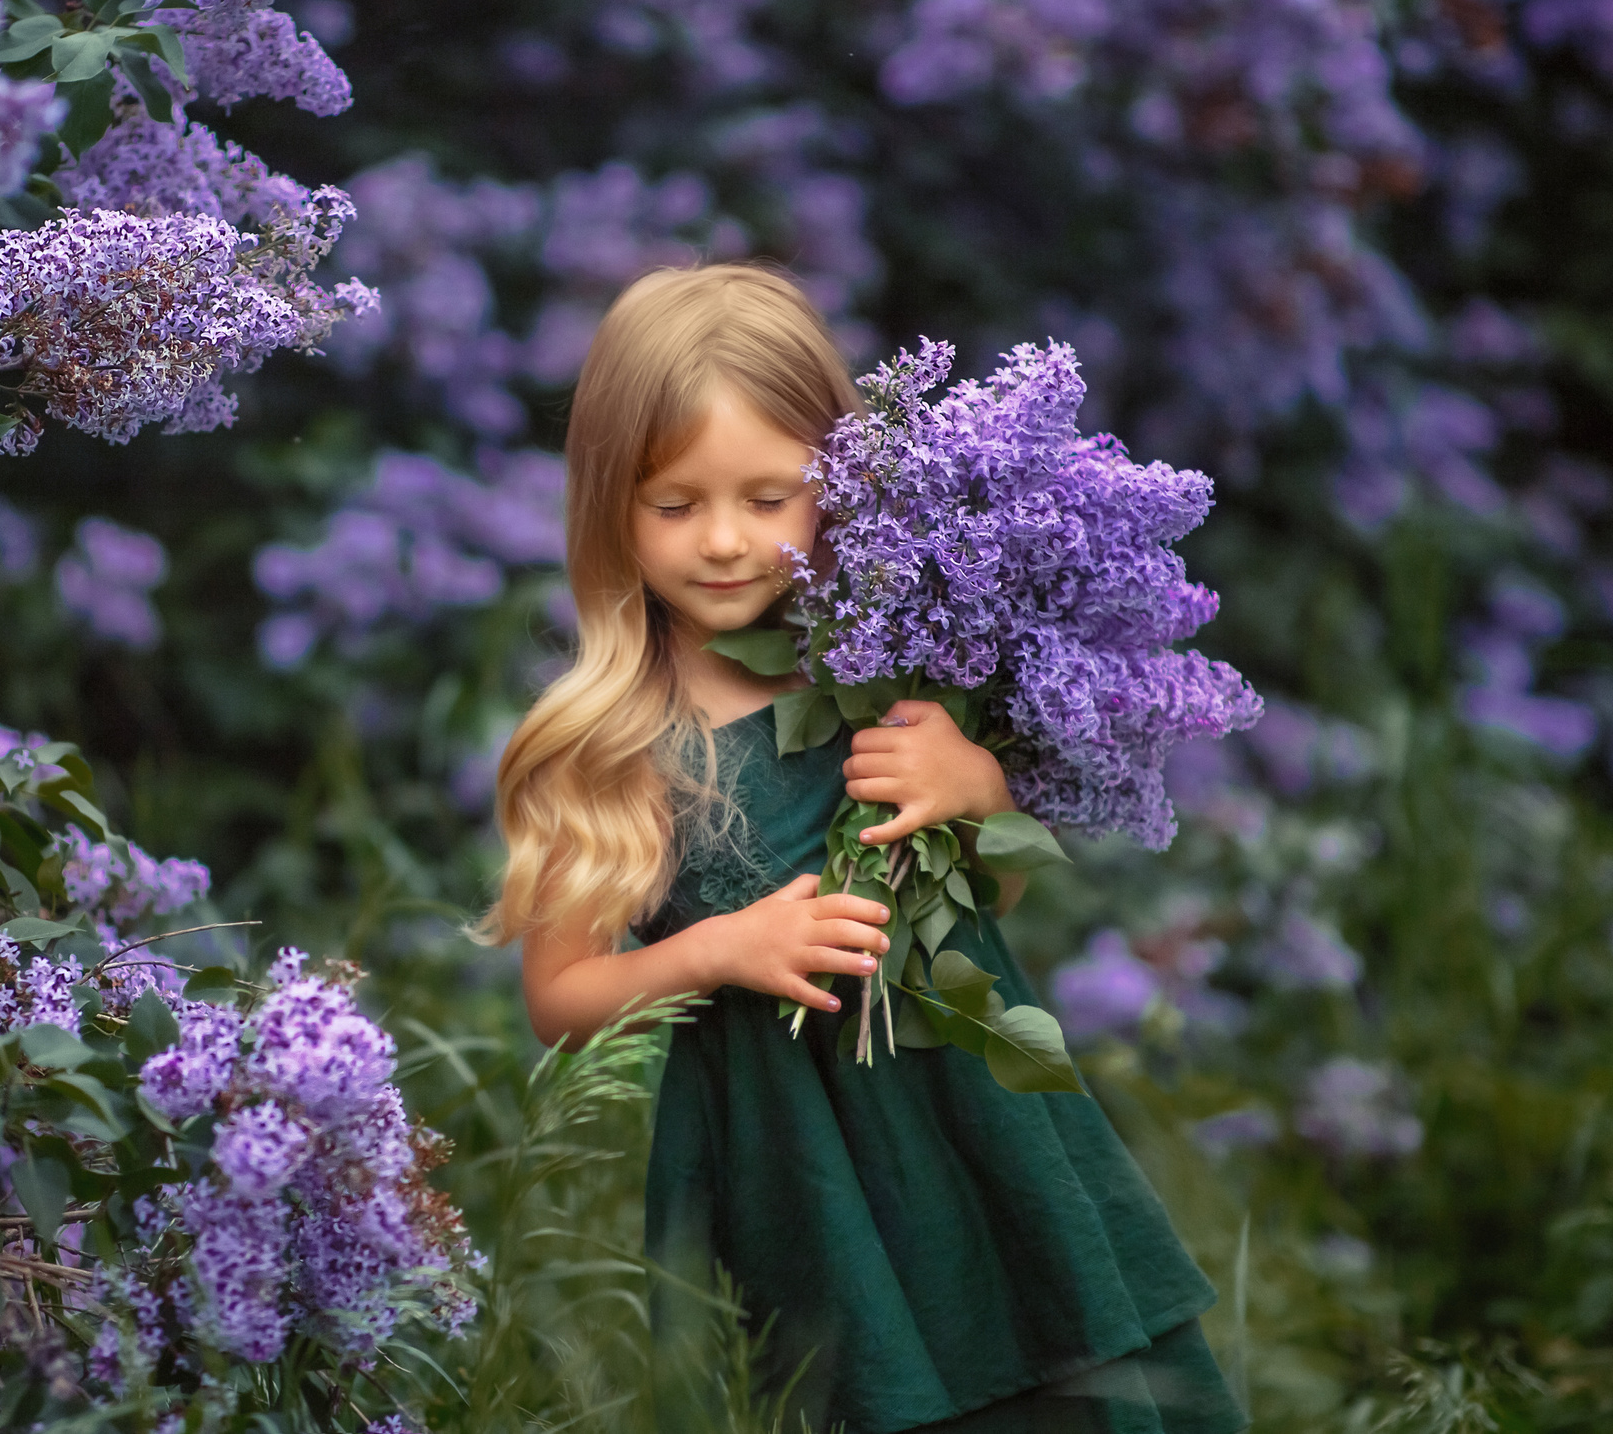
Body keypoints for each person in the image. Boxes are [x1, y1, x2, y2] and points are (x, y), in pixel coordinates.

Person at [473, 265, 1246, 1433]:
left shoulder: (888, 659)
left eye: (770, 497)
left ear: (839, 484)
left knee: (1068, 1365)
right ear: (606, 508)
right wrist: (719, 948)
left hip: (977, 1114)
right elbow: (562, 997)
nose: (725, 542)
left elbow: (988, 892)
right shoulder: (608, 741)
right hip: (794, 1170)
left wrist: (977, 787)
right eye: (673, 505)